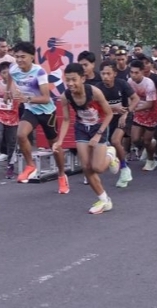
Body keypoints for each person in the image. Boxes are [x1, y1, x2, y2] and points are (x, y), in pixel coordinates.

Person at [56, 62, 119, 214]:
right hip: (82, 128)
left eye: (74, 79)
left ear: (82, 79)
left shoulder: (95, 92)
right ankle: (104, 200)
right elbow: (66, 120)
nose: (70, 83)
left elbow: (109, 114)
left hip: (99, 126)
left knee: (98, 167)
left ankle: (110, 155)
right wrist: (59, 141)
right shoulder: (66, 96)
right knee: (86, 167)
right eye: (67, 80)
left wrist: (98, 135)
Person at [12, 41, 68, 193]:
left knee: (54, 146)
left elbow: (45, 98)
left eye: (23, 57)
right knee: (21, 134)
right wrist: (9, 92)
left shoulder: (40, 72)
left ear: (31, 57)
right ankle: (30, 166)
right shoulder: (13, 69)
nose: (19, 60)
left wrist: (26, 98)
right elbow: (11, 80)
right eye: (17, 57)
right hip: (31, 110)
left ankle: (62, 175)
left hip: (47, 112)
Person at [95, 58, 137, 188]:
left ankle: (124, 169)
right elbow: (96, 106)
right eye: (103, 73)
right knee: (106, 143)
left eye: (108, 73)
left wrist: (126, 113)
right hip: (108, 118)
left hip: (124, 116)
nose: (105, 76)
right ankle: (113, 159)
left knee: (115, 140)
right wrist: (113, 108)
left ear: (114, 74)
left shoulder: (122, 84)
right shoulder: (98, 88)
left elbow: (135, 99)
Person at [0, 60, 20, 180]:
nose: (6, 75)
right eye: (4, 73)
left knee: (12, 140)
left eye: (9, 73)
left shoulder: (16, 85)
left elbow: (21, 98)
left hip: (13, 116)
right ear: (0, 74)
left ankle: (10, 165)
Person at [128, 61, 157, 172]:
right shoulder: (130, 82)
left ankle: (151, 160)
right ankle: (151, 144)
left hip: (151, 114)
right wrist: (131, 107)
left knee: (147, 141)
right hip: (138, 112)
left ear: (142, 72)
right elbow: (130, 98)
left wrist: (132, 109)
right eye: (131, 72)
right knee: (135, 139)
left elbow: (149, 104)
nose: (133, 75)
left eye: (136, 72)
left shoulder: (149, 84)